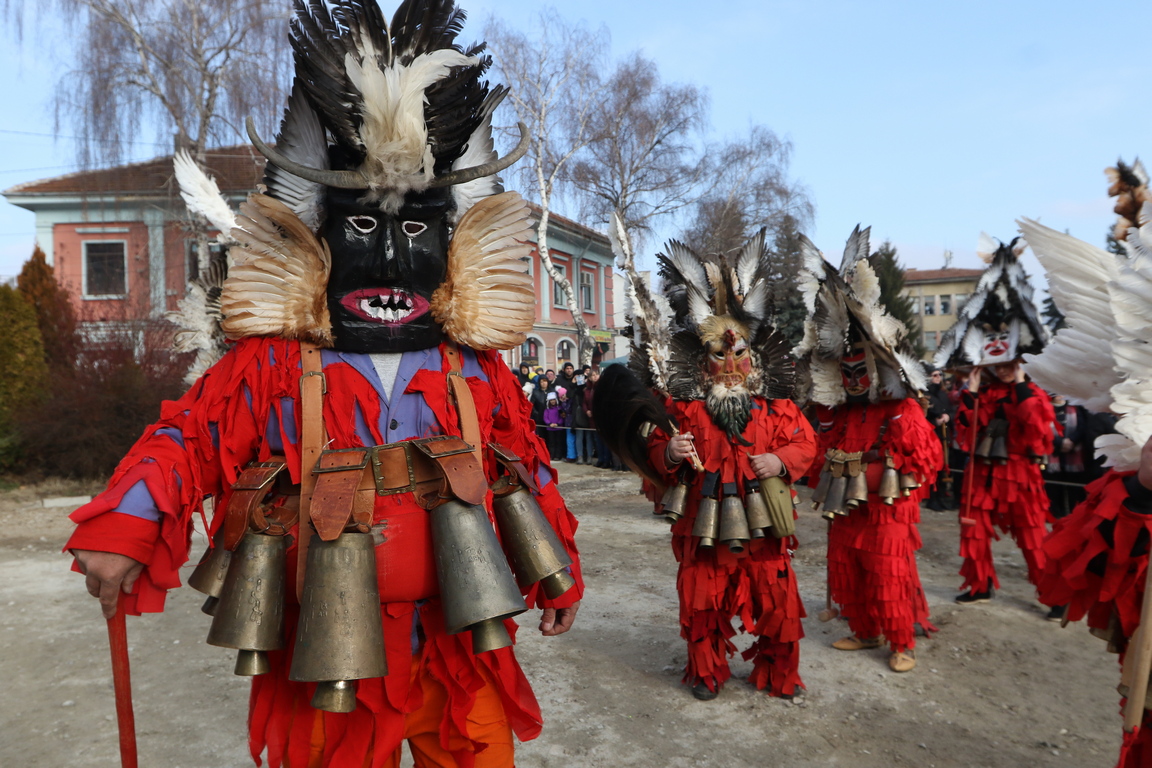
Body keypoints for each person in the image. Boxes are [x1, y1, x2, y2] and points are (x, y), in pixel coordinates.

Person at [66, 3, 582, 766]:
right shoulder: (272, 365)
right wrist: (126, 524)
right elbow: (190, 437)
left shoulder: (474, 370)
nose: (390, 265)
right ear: (317, 234)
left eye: (415, 233)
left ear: (449, 241)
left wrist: (557, 571)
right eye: (362, 230)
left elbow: (524, 460)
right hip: (323, 656)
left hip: (457, 642)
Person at [596, 233, 816, 701]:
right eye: (720, 355)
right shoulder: (681, 407)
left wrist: (779, 459)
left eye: (739, 354)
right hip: (703, 529)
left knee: (777, 602)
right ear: (704, 360)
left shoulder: (775, 407)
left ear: (753, 356)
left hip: (766, 531)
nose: (731, 364)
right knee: (703, 603)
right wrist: (669, 453)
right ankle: (706, 672)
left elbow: (806, 444)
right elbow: (653, 446)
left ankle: (779, 674)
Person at [796, 225, 942, 673]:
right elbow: (818, 459)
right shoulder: (839, 414)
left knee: (888, 570)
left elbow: (926, 460)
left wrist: (900, 420)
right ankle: (864, 629)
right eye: (847, 369)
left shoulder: (901, 410)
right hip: (846, 505)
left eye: (863, 367)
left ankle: (901, 641)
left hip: (886, 507)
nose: (855, 377)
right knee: (848, 565)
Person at [934, 235, 1054, 605]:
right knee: (974, 530)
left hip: (1019, 474)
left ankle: (1053, 595)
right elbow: (965, 435)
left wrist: (1018, 387)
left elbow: (1037, 432)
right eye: (998, 364)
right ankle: (980, 584)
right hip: (981, 472)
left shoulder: (1032, 394)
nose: (1003, 369)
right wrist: (969, 393)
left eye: (1010, 363)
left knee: (1033, 534)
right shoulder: (979, 392)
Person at [924, 369, 956, 511]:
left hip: (944, 435)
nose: (938, 378)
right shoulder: (924, 395)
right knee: (933, 467)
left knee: (944, 466)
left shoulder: (943, 394)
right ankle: (932, 497)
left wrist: (948, 417)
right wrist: (934, 421)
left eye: (939, 375)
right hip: (931, 435)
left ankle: (941, 496)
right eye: (934, 375)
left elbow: (949, 409)